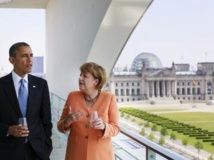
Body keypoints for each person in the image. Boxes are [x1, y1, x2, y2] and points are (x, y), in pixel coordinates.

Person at [0, 42, 53, 160]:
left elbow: (46, 120)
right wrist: (8, 130)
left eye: (31, 55)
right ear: (12, 60)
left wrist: (46, 146)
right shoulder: (1, 85)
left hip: (38, 151)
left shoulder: (41, 84)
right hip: (8, 152)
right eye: (24, 56)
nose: (30, 60)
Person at [57, 62, 120, 160]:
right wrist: (67, 121)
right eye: (80, 75)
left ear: (96, 81)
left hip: (101, 155)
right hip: (76, 154)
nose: (80, 78)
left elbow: (116, 128)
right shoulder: (72, 96)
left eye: (85, 76)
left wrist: (104, 126)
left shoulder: (109, 98)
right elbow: (60, 127)